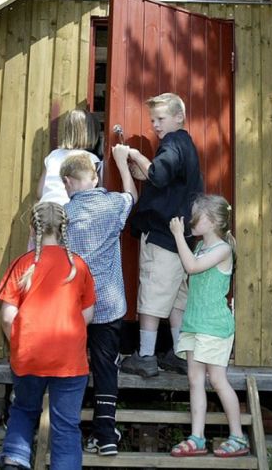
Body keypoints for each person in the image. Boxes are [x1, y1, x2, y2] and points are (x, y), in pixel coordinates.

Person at [0, 202, 96, 470]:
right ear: (65, 230)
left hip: (29, 355)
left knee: (25, 411)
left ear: (32, 229)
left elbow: (7, 317)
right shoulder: (79, 267)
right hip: (69, 360)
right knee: (66, 426)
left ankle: (14, 462)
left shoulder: (22, 264)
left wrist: (16, 344)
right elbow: (87, 317)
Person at [61, 148, 137, 457]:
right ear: (94, 177)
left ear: (68, 182)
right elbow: (131, 195)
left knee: (73, 365)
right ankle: (105, 433)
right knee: (106, 365)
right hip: (107, 304)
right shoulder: (112, 204)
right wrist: (122, 165)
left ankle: (67, 429)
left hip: (73, 307)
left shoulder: (64, 215)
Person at [120, 92, 204, 377]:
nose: (155, 125)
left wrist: (135, 156)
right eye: (153, 120)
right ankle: (178, 354)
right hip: (182, 239)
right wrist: (147, 171)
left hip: (162, 235)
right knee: (178, 298)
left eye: (161, 118)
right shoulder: (186, 145)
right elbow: (166, 180)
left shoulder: (171, 143)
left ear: (179, 118)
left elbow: (159, 173)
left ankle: (145, 356)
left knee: (153, 295)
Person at [167, 194, 248, 458]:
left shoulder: (222, 249)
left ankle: (238, 437)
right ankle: (197, 438)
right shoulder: (202, 247)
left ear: (212, 221)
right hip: (195, 324)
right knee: (194, 380)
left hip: (213, 326)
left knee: (217, 380)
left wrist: (178, 235)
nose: (189, 221)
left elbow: (191, 267)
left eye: (195, 216)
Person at [38, 108, 101, 205]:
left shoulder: (53, 155)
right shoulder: (91, 159)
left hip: (46, 210)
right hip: (70, 212)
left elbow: (39, 192)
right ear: (92, 133)